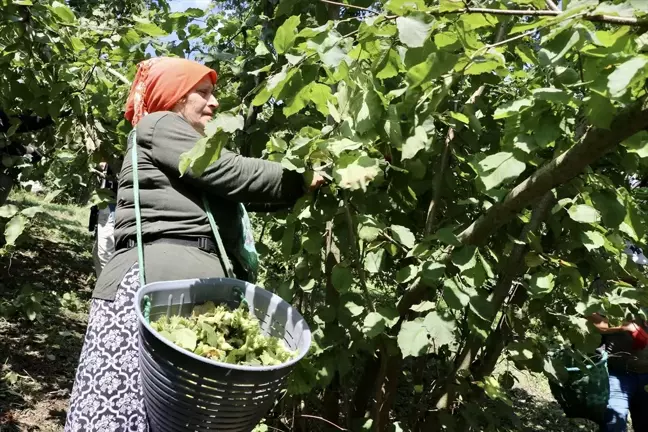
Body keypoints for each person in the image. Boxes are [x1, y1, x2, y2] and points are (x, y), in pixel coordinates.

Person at [65, 57, 324, 431]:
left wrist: (307, 186)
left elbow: (241, 193)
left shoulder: (184, 151)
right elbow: (230, 173)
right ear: (174, 98)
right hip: (153, 283)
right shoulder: (160, 125)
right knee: (126, 408)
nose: (214, 102)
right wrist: (301, 177)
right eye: (201, 93)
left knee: (164, 412)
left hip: (178, 284)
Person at [587, 244, 648, 432]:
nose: (638, 271)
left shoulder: (645, 287)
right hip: (616, 373)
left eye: (640, 267)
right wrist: (626, 327)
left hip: (646, 375)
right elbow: (593, 319)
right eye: (632, 266)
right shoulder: (602, 286)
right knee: (613, 426)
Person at [88, 161, 118, 277]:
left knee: (106, 254)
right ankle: (102, 289)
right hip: (106, 208)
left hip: (112, 208)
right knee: (97, 254)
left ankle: (110, 291)